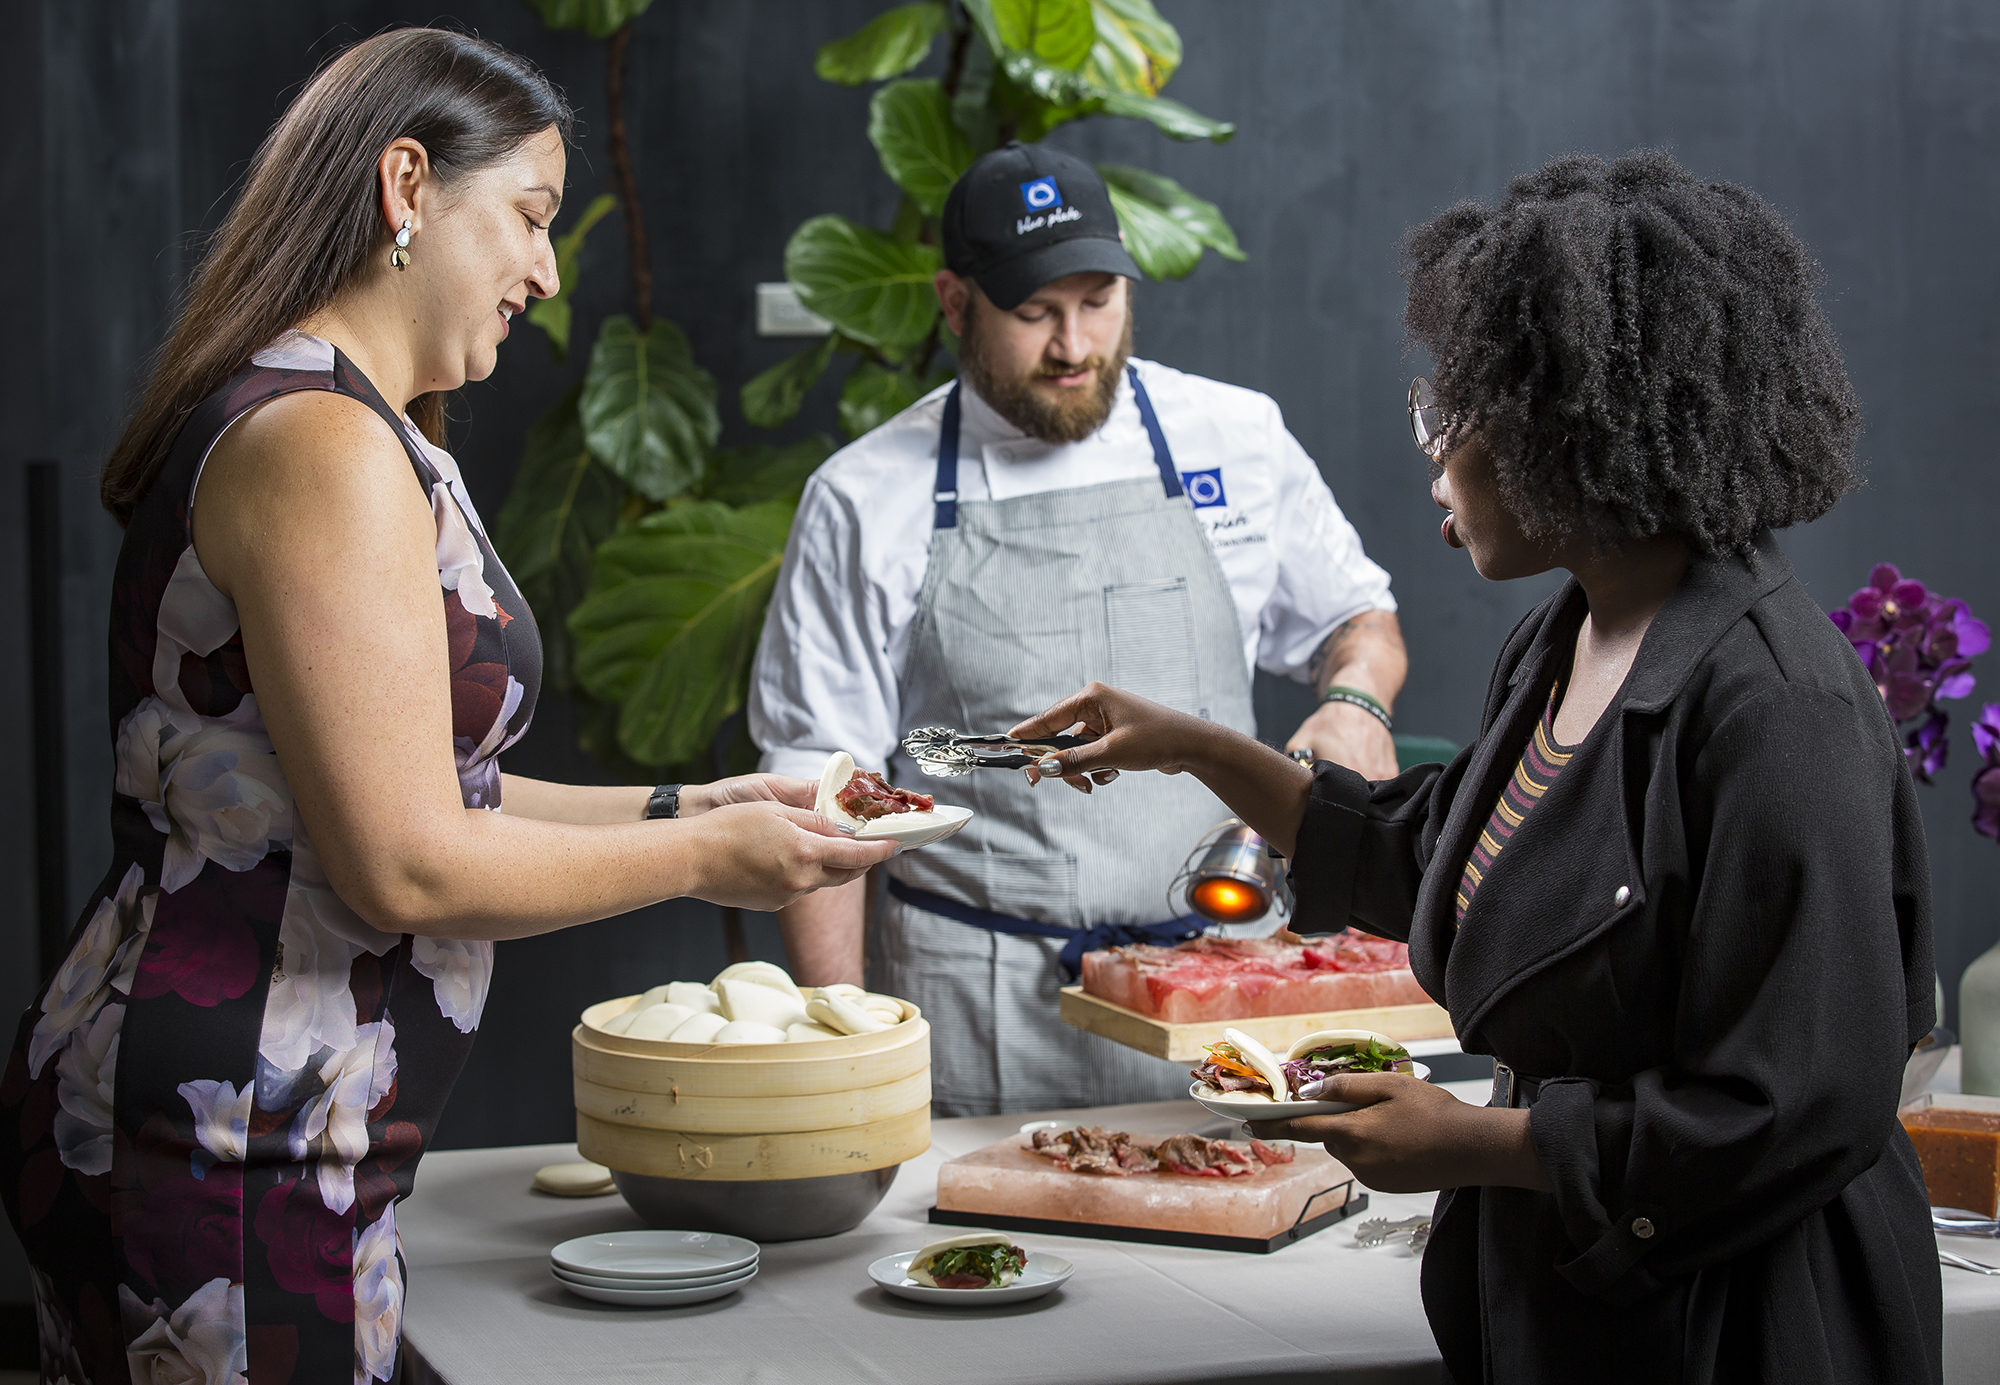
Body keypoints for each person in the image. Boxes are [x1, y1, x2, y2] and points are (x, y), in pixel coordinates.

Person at [0, 29, 893, 1385]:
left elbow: (418, 774)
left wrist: (697, 799)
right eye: (529, 218)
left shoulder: (375, 425)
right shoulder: (321, 447)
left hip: (271, 1109)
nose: (546, 270)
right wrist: (720, 862)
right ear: (407, 186)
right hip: (230, 1122)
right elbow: (406, 858)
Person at [1009, 151, 1940, 1383]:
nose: (1433, 454)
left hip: (1745, 1320)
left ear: (1572, 427)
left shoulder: (1776, 707)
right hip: (1570, 1299)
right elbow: (1428, 853)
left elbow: (1794, 1106)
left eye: (1458, 415)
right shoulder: (1567, 635)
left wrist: (1489, 1142)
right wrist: (1188, 745)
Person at [749, 142, 1406, 1117]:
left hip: (1224, 986)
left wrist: (1353, 700)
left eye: (1097, 301)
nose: (1073, 345)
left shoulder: (1234, 437)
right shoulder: (863, 497)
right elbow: (819, 792)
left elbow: (1358, 622)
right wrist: (841, 1052)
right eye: (1033, 313)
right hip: (981, 1006)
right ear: (952, 301)